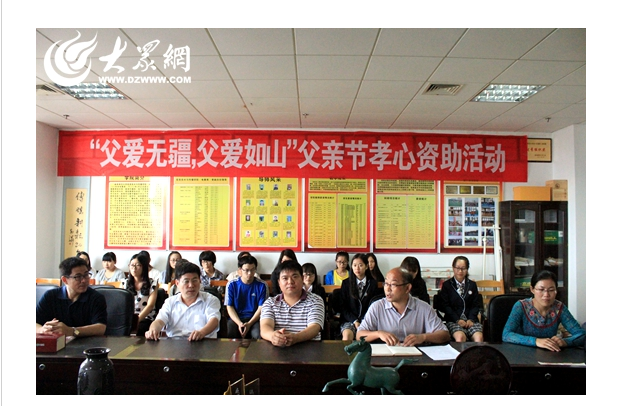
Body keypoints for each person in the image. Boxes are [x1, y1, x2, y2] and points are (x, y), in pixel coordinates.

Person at [357, 267, 449, 346]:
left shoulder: (424, 308)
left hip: (414, 357)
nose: (388, 289)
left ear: (407, 288)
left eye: (393, 284)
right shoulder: (377, 307)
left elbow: (444, 334)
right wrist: (378, 334)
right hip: (386, 356)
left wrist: (423, 337)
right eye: (386, 283)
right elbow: (359, 335)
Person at [503, 270, 585, 351]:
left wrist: (565, 342)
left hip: (550, 355)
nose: (546, 295)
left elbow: (581, 335)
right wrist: (536, 341)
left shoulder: (559, 308)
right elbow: (506, 335)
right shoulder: (521, 306)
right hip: (522, 353)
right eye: (541, 289)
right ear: (532, 289)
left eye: (551, 290)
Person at [146, 260, 221, 341]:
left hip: (204, 342)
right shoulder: (170, 302)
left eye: (194, 280)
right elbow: (159, 321)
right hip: (175, 343)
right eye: (186, 281)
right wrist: (153, 330)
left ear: (200, 281)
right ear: (177, 283)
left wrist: (202, 332)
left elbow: (214, 320)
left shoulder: (211, 300)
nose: (191, 285)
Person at [36, 257, 107, 337]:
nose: (84, 280)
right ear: (65, 280)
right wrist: (42, 329)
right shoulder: (50, 296)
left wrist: (72, 331)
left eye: (86, 275)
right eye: (78, 277)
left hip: (86, 343)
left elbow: (101, 328)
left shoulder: (96, 298)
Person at [260, 260, 325, 346]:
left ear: (302, 279)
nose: (290, 282)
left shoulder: (315, 300)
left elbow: (314, 327)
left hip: (309, 349)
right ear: (279, 282)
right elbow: (265, 326)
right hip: (278, 349)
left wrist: (296, 338)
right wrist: (273, 336)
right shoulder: (270, 303)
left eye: (295, 276)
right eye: (285, 278)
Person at [438, 255, 483, 342]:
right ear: (453, 268)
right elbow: (446, 306)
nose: (460, 271)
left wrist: (471, 319)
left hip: (471, 320)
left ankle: (478, 352)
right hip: (453, 320)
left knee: (478, 337)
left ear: (467, 269)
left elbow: (475, 305)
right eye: (457, 268)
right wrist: (457, 320)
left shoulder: (472, 285)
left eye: (463, 268)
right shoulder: (447, 285)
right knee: (460, 337)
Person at [335, 253, 379, 340]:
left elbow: (374, 305)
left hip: (367, 320)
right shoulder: (346, 283)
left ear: (366, 266)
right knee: (347, 336)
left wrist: (363, 320)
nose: (357, 268)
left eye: (360, 265)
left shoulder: (373, 283)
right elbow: (343, 307)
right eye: (354, 265)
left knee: (365, 338)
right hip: (349, 320)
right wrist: (355, 321)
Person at [225, 255, 268, 339]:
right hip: (236, 318)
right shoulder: (231, 284)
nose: (250, 273)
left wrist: (249, 323)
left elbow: (261, 308)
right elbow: (229, 307)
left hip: (255, 319)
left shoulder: (262, 285)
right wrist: (239, 323)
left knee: (258, 335)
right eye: (246, 270)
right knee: (230, 332)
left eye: (252, 270)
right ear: (240, 270)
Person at [121, 253, 158, 336]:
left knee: (141, 328)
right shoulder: (124, 282)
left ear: (144, 267)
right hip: (129, 317)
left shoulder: (152, 283)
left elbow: (150, 306)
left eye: (138, 265)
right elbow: (121, 304)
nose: (134, 268)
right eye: (132, 265)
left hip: (146, 317)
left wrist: (136, 320)